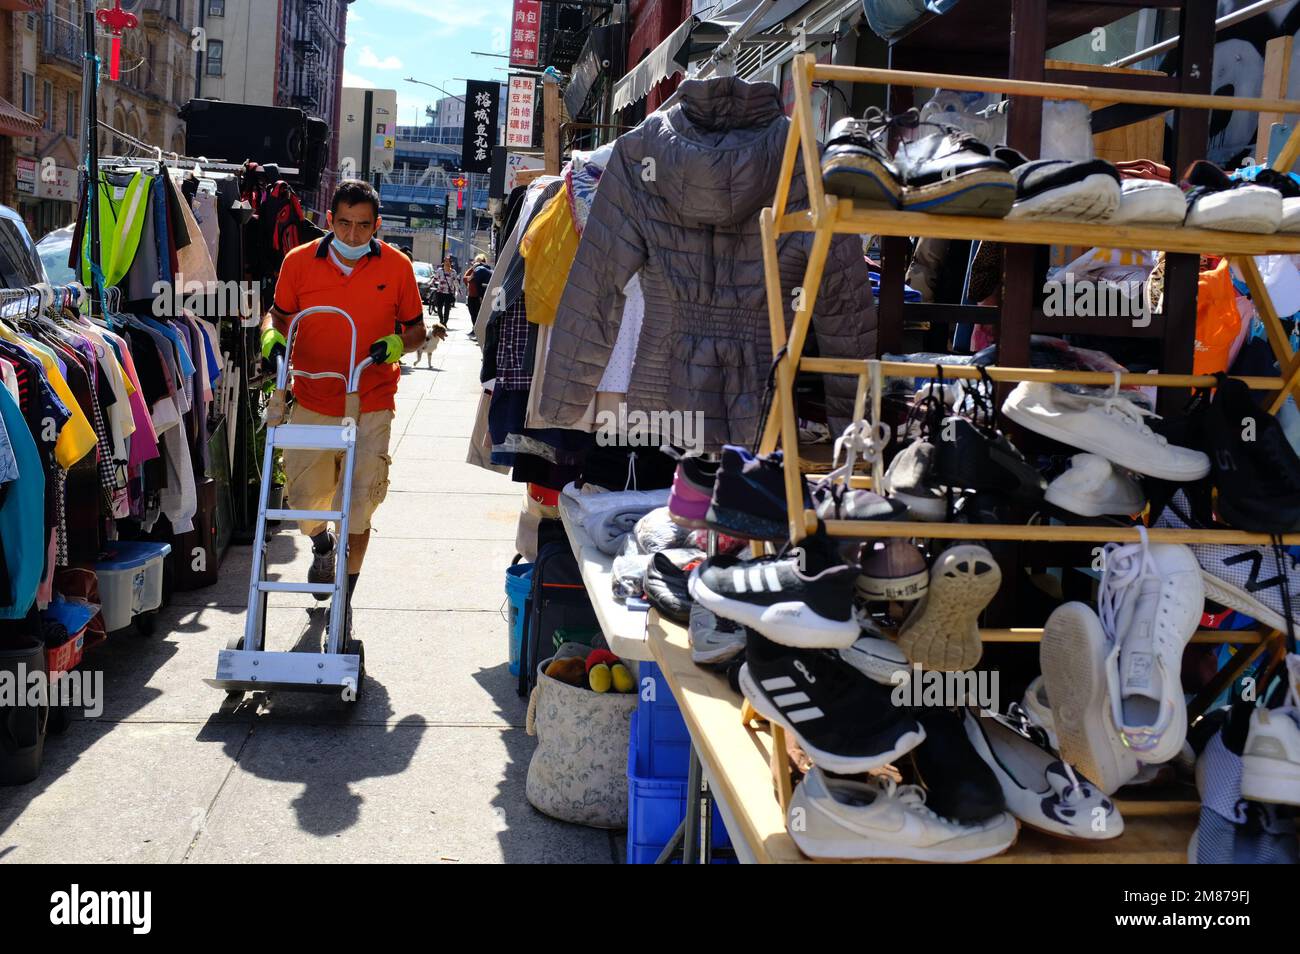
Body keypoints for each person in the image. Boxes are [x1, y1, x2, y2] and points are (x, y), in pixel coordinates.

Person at [258, 179, 425, 633]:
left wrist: (397, 343)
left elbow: (416, 329)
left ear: (377, 225)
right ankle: (322, 547)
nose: (354, 236)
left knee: (360, 507)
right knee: (305, 501)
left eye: (364, 226)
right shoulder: (299, 263)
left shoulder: (398, 266)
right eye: (345, 224)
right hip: (312, 396)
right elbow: (278, 314)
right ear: (330, 221)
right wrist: (272, 336)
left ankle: (343, 603)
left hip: (370, 401)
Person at [463, 253, 492, 323]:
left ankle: (478, 329)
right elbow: (464, 279)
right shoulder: (473, 269)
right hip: (471, 295)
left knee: (478, 314)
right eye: (476, 261)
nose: (477, 263)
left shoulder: (485, 270)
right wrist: (473, 271)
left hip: (480, 296)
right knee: (472, 313)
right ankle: (474, 328)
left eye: (479, 261)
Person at [432, 258, 457, 326]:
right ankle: (441, 319)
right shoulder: (440, 271)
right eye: (445, 262)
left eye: (448, 262)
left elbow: (455, 282)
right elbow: (435, 278)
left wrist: (458, 291)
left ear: (450, 263)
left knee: (447, 309)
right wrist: (431, 284)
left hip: (448, 293)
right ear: (444, 263)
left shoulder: (453, 272)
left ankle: (445, 322)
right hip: (440, 292)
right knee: (439, 308)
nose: (447, 263)